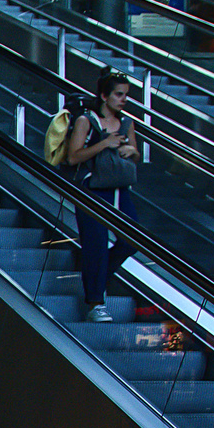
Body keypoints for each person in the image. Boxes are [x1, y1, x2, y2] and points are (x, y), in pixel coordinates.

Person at [66, 71, 142, 322]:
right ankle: (95, 304)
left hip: (119, 189)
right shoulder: (86, 121)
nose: (123, 100)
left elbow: (136, 156)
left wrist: (131, 151)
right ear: (104, 96)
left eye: (126, 95)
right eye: (118, 95)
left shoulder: (128, 123)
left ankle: (97, 276)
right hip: (91, 189)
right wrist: (104, 144)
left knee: (132, 240)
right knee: (95, 244)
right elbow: (73, 156)